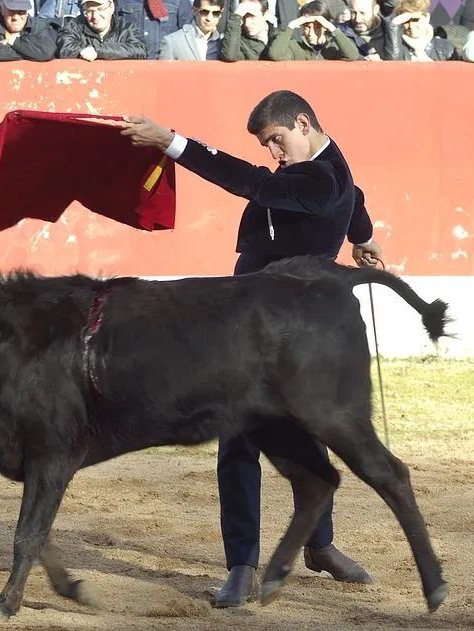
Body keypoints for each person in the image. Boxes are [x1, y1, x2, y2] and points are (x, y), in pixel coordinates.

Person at [119, 90, 383, 609]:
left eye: (277, 140)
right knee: (239, 437)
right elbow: (355, 196)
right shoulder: (328, 168)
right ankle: (242, 563)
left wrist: (171, 142)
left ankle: (319, 544)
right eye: (267, 146)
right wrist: (363, 236)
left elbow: (252, 182)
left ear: (303, 123)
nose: (274, 154)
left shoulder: (322, 178)